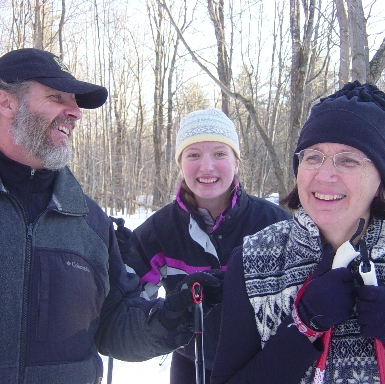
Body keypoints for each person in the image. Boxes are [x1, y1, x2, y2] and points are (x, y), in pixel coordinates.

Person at [0, 48, 224, 384]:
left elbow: (113, 325)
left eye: (74, 101)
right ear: (6, 103)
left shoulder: (90, 223)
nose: (74, 112)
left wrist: (172, 317)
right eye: (56, 96)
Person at [210, 81, 385, 384]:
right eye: (313, 156)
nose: (325, 174)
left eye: (348, 160)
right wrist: (303, 328)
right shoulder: (254, 259)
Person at [113, 107, 291, 383]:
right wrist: (113, 260)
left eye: (220, 153)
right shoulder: (160, 230)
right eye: (193, 155)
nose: (206, 166)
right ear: (180, 164)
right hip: (190, 363)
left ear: (236, 161)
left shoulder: (273, 223)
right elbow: (127, 304)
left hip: (260, 366)